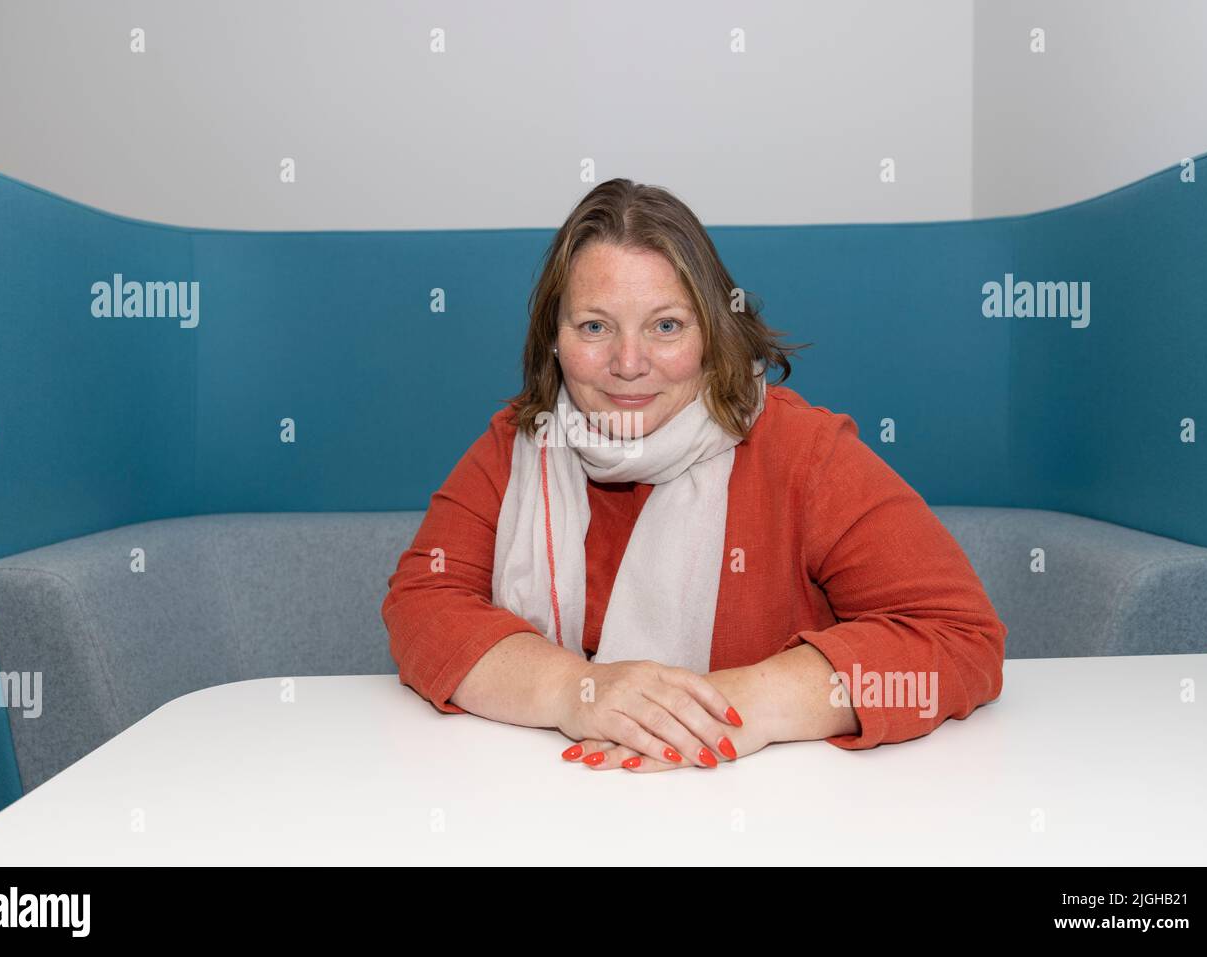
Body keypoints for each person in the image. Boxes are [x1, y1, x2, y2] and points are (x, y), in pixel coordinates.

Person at [382, 178, 1006, 772]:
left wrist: (738, 706)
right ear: (554, 339)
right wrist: (576, 692)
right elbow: (422, 605)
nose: (629, 364)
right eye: (595, 326)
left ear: (713, 331)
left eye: (666, 326)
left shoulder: (804, 453)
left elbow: (960, 640)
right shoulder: (516, 444)